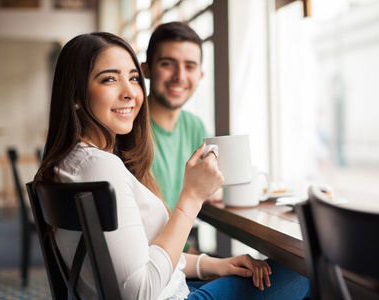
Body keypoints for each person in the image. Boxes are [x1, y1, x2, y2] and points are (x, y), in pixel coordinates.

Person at [34, 31, 309, 299]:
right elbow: (138, 292)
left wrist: (213, 264)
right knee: (307, 266)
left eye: (133, 78)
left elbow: (143, 257)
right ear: (75, 96)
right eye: (109, 79)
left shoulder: (71, 163)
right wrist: (191, 197)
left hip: (174, 284)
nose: (130, 92)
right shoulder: (101, 168)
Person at [141, 22, 217, 254]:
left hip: (180, 255)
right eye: (167, 64)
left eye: (190, 66)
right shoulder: (129, 127)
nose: (179, 76)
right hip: (157, 262)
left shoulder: (195, 126)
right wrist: (211, 265)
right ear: (146, 69)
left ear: (200, 75)